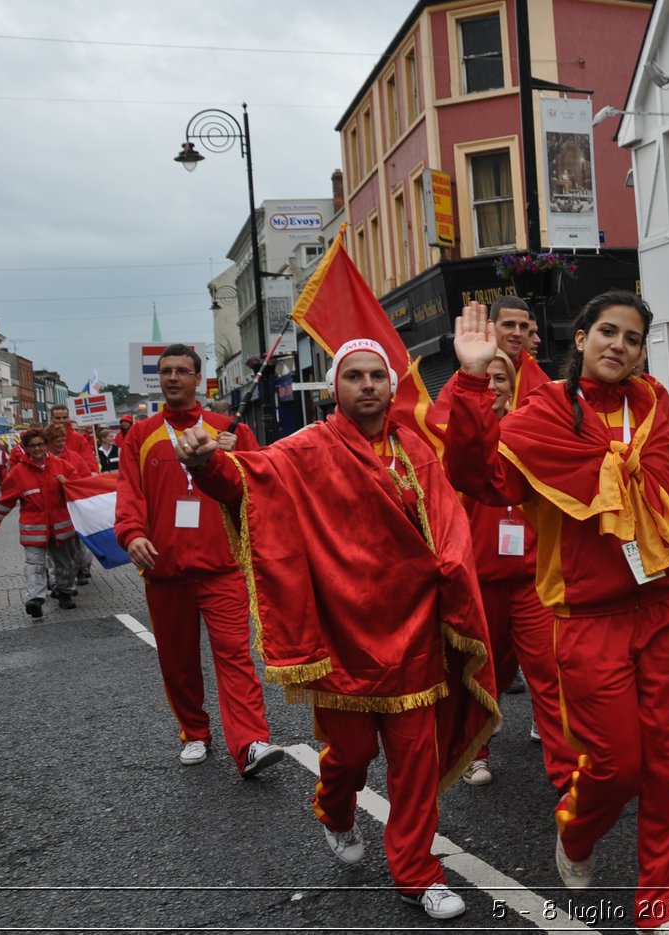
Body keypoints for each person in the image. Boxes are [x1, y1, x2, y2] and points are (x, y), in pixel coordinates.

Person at [175, 338, 499, 922]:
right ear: (334, 388)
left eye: (378, 375)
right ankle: (336, 810)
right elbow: (247, 482)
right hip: (345, 641)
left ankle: (417, 872)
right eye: (355, 376)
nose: (369, 384)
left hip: (415, 637)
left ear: (391, 387)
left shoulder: (417, 452)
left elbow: (449, 525)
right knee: (348, 757)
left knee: (415, 767)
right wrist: (205, 462)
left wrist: (453, 586)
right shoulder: (305, 450)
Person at [444, 293, 669, 934]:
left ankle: (662, 909)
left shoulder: (656, 405)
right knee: (615, 764)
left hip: (667, 608)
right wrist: (469, 381)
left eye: (633, 339)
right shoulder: (543, 411)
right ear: (579, 338)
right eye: (607, 331)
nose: (619, 346)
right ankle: (575, 833)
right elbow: (478, 476)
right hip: (588, 617)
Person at [114, 344, 283, 778]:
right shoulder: (141, 434)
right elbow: (129, 494)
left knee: (235, 656)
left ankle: (250, 743)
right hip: (164, 569)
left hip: (222, 565)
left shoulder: (229, 428)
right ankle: (194, 731)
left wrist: (236, 454)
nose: (172, 378)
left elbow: (260, 484)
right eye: (165, 371)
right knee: (178, 659)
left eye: (181, 371)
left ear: (197, 379)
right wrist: (131, 535)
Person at [449, 351, 577, 793]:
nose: (493, 386)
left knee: (548, 668)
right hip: (480, 583)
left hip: (531, 580)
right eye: (485, 378)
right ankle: (474, 753)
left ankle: (566, 770)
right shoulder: (457, 438)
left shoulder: (529, 430)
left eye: (500, 378)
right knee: (483, 673)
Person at [0, 428, 83, 617]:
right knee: (34, 565)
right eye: (33, 446)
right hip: (33, 530)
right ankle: (35, 599)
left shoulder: (62, 466)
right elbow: (6, 500)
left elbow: (80, 489)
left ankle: (64, 593)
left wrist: (68, 483)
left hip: (61, 528)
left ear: (46, 445)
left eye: (40, 444)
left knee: (65, 564)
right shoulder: (17, 473)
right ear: (25, 448)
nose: (37, 449)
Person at [48, 405, 101, 584]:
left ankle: (81, 566)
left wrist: (89, 486)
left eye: (65, 417)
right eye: (58, 418)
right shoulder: (45, 438)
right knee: (54, 540)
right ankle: (59, 575)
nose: (62, 421)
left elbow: (87, 462)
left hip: (73, 493)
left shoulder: (78, 440)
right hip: (52, 499)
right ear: (52, 419)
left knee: (78, 536)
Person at [491, 295, 551, 406]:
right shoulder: (472, 372)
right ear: (490, 327)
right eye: (509, 325)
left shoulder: (541, 382)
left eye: (523, 326)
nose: (517, 333)